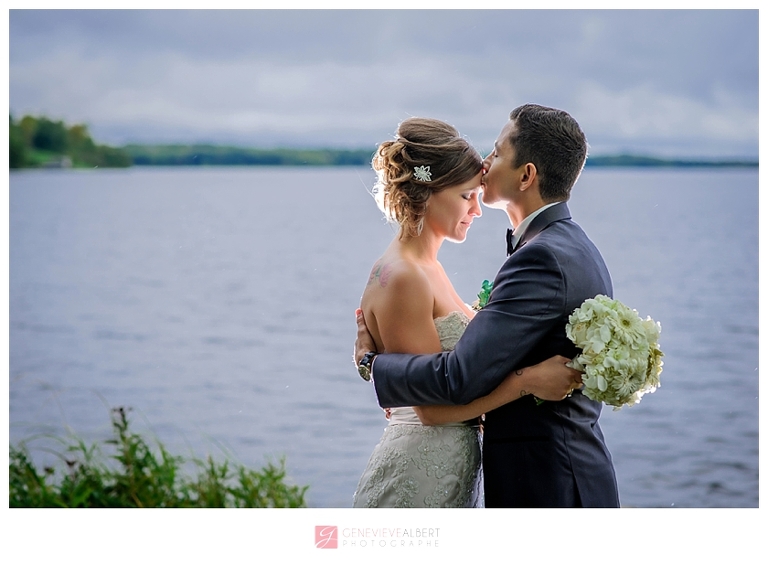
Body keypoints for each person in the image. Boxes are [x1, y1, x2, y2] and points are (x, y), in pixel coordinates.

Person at [355, 105, 620, 508]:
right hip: (428, 472)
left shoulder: (540, 255)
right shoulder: (568, 246)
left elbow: (462, 376)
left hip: (547, 478)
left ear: (526, 175)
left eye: (497, 152)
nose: (476, 207)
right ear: (427, 194)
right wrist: (527, 381)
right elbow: (438, 402)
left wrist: (372, 364)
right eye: (467, 196)